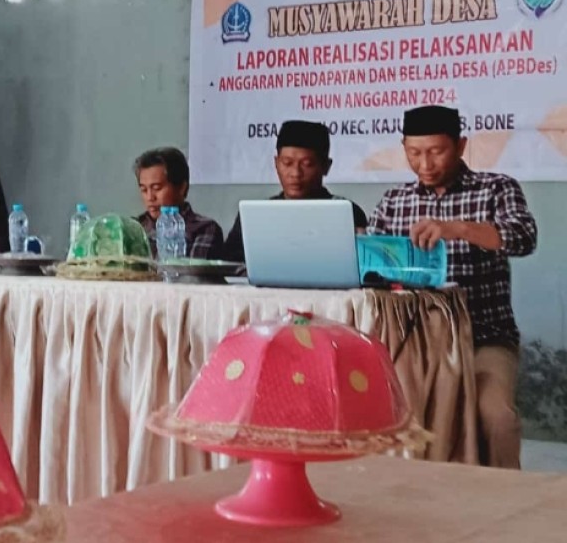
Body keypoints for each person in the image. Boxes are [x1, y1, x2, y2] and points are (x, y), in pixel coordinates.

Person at [367, 105, 538, 469]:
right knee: (391, 416)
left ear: (460, 146)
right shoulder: (395, 202)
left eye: (436, 151)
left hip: (484, 337)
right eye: (414, 153)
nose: (425, 164)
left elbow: (523, 238)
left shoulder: (496, 189)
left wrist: (459, 228)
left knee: (497, 417)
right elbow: (369, 266)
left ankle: (505, 495)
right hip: (416, 342)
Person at [222, 120, 368, 263]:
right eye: (287, 163)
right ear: (276, 163)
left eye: (307, 164)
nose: (295, 173)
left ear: (326, 166)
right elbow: (230, 265)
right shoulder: (254, 217)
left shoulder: (348, 213)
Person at [134, 146, 224, 259]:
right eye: (144, 190)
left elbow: (193, 269)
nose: (150, 197)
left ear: (181, 187)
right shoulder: (135, 228)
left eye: (157, 188)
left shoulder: (204, 228)